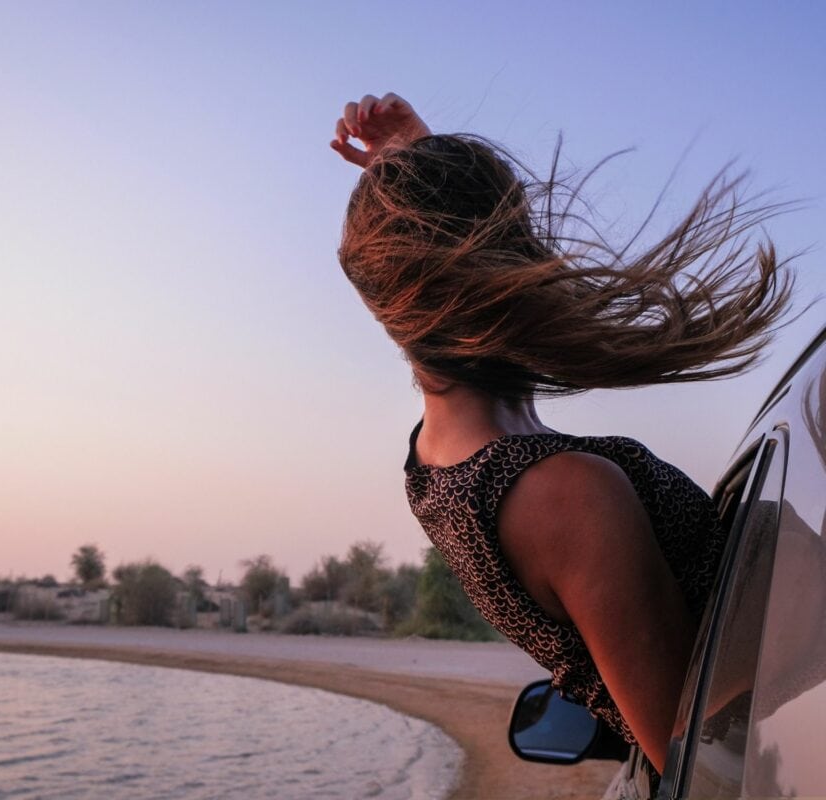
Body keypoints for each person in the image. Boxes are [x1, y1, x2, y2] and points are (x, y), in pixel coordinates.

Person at [329, 93, 793, 778]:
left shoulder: (437, 470)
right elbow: (705, 765)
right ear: (497, 260)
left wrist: (416, 171)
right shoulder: (563, 494)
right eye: (518, 238)